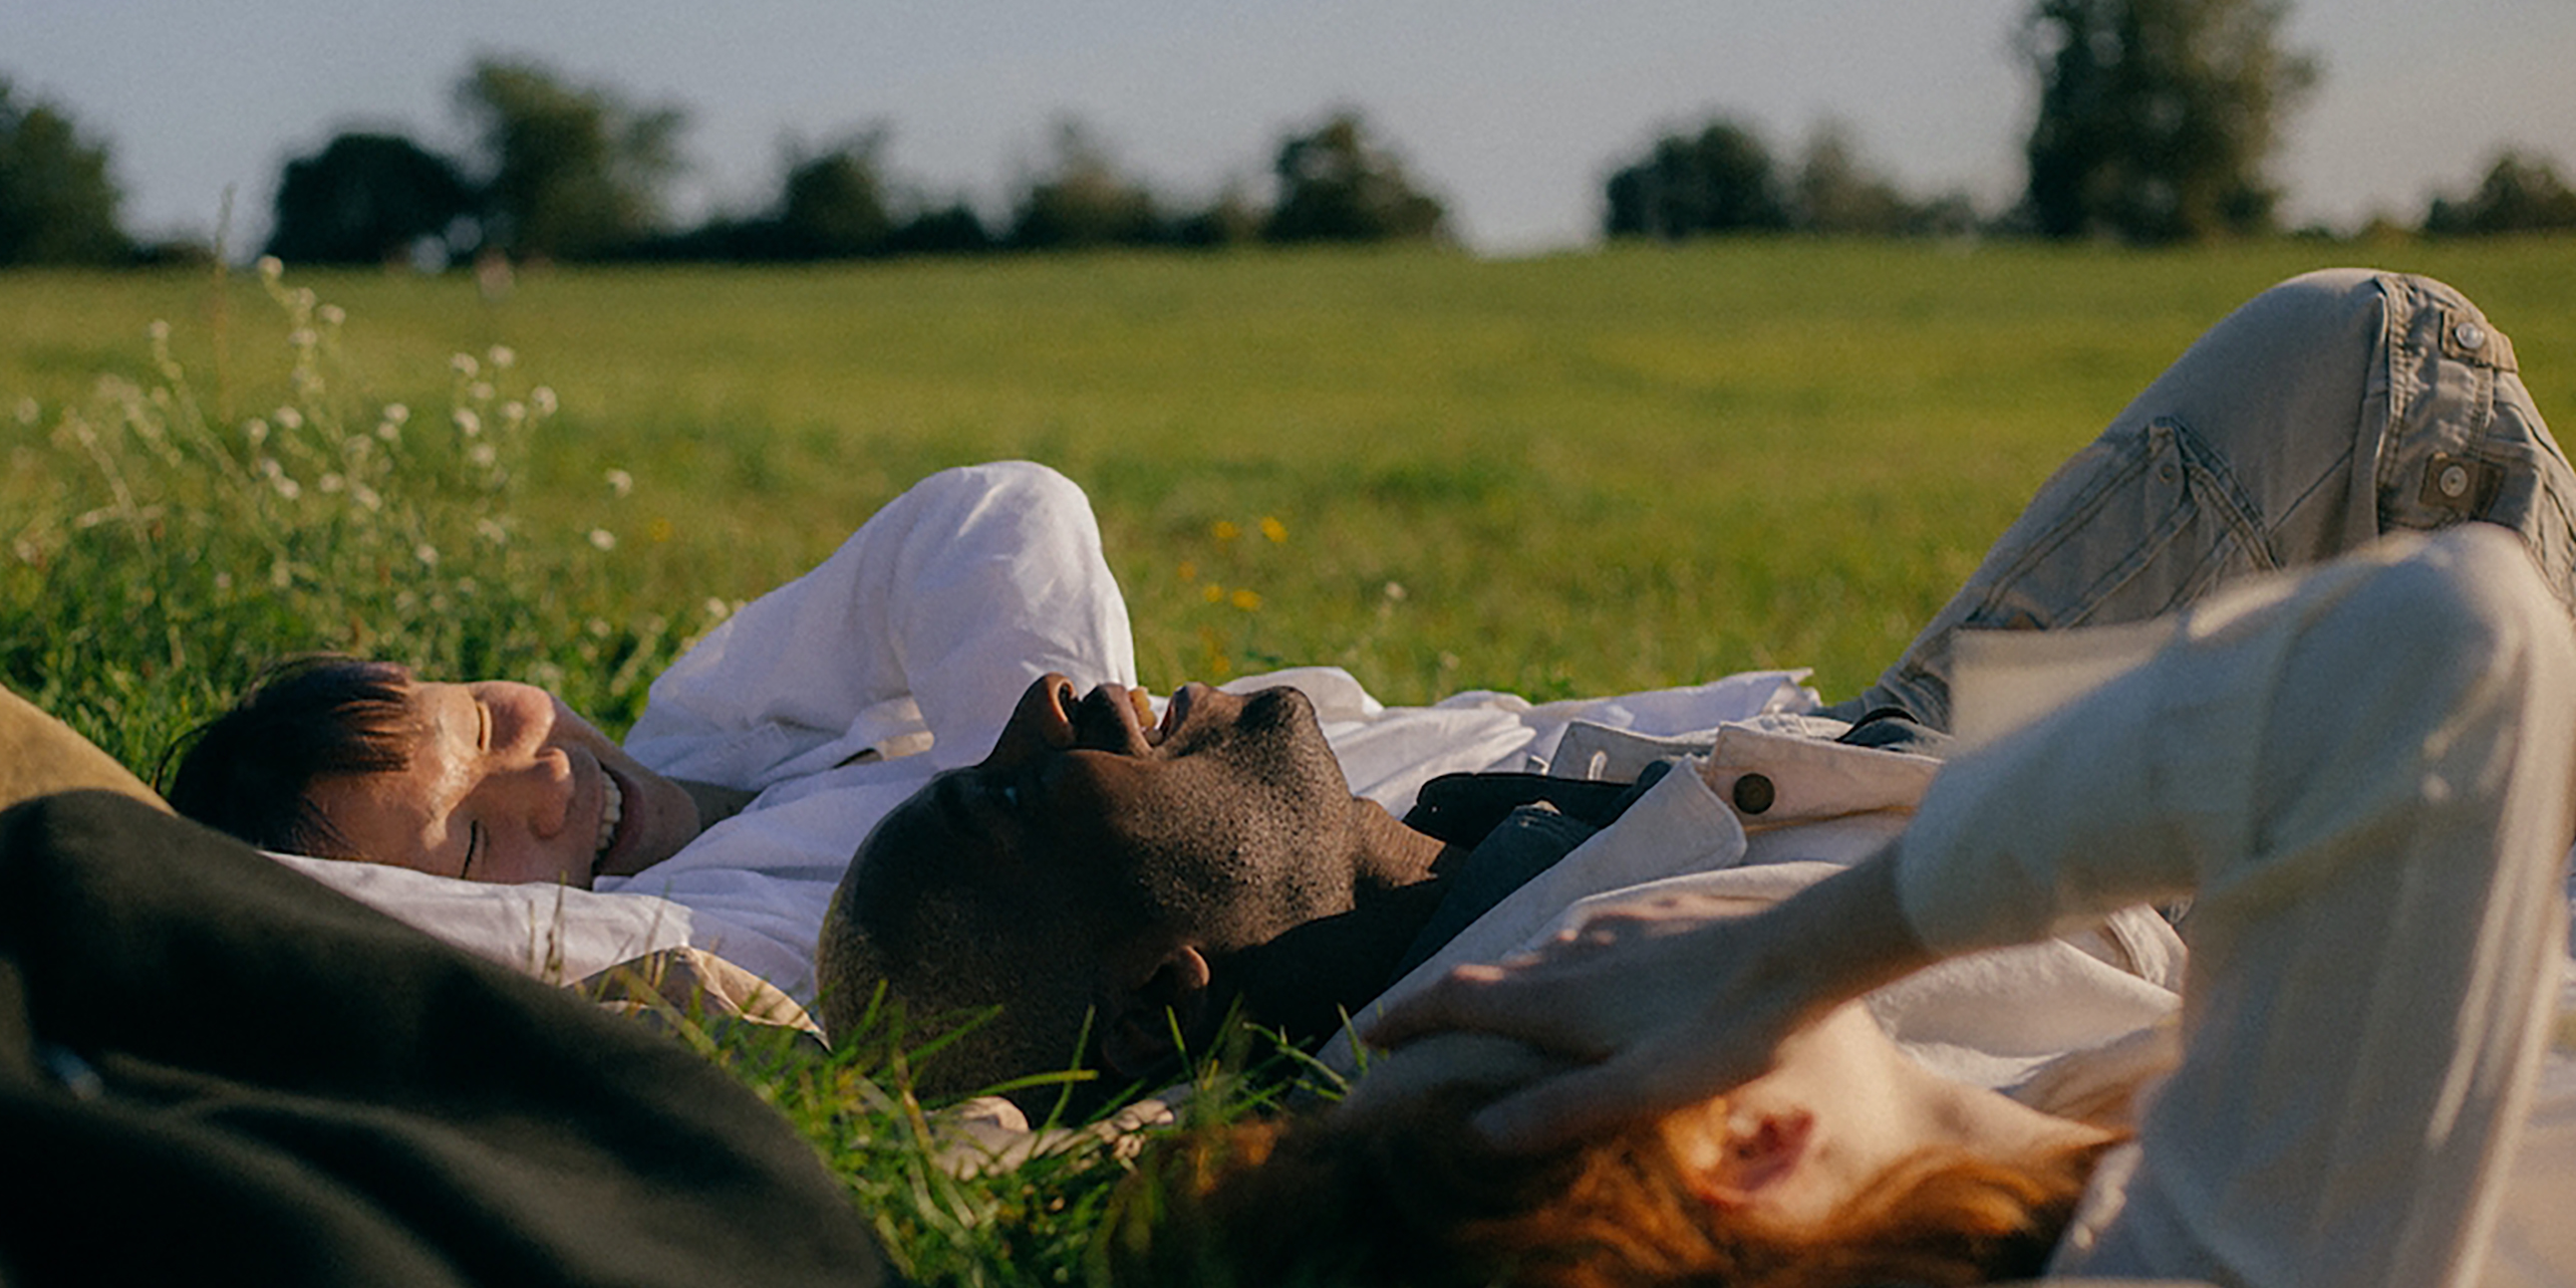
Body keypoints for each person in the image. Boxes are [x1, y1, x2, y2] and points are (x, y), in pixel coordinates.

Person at [816, 268, 2576, 1114]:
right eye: (1004, 793)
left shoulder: (1422, 821)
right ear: (1159, 1001)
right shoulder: (1565, 1038)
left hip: (1906, 739)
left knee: (2364, 351)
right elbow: (2138, 1018)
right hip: (2057, 845)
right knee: (2415, 436)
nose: (1051, 704)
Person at [1211, 523, 2576, 1288]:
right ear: (1761, 1147)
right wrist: (1788, 952)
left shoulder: (2107, 1144)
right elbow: (2452, 632)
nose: (1577, 950)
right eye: (1569, 1009)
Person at [168, 458, 1807, 1003]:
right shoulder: (713, 929)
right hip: (1538, 867)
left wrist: (1065, 774)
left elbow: (990, 517)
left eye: (488, 723)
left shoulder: (718, 717)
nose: (539, 789)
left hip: (1541, 746)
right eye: (469, 839)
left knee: (1936, 702)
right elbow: (342, 916)